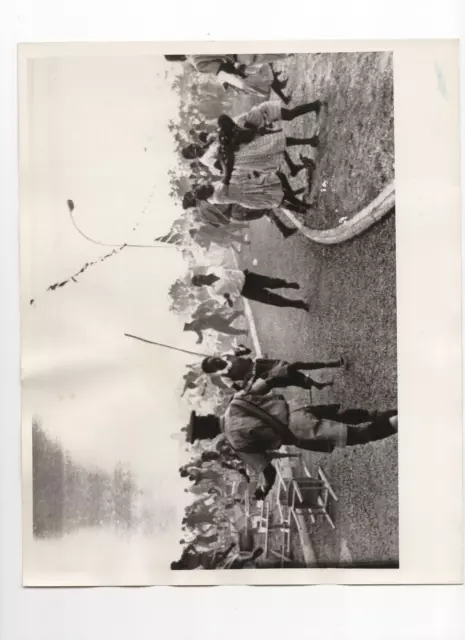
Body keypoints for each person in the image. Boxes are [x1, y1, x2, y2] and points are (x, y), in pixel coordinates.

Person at [185, 385, 398, 500]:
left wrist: (263, 490)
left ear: (209, 435)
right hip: (298, 408)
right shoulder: (236, 401)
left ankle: (398, 421)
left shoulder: (236, 441)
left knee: (357, 435)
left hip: (300, 431)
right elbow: (266, 384)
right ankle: (389, 412)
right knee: (348, 415)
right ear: (209, 417)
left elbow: (268, 472)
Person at [165, 55, 290, 102]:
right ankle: (282, 93)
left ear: (180, 59)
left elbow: (223, 68)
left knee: (280, 53)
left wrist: (241, 75)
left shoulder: (197, 63)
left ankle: (282, 94)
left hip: (240, 58)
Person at [201, 352, 346, 392]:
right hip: (264, 376)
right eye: (214, 363)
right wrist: (249, 379)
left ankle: (330, 365)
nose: (217, 361)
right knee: (293, 376)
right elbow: (242, 390)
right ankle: (330, 366)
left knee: (294, 367)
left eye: (214, 358)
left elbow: (247, 352)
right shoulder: (225, 378)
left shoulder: (227, 355)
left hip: (263, 364)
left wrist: (243, 350)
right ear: (214, 369)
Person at [191, 266, 309, 312]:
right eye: (200, 281)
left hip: (248, 278)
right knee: (273, 300)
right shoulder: (212, 291)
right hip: (245, 291)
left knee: (272, 283)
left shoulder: (214, 269)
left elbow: (229, 270)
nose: (202, 278)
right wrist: (229, 299)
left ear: (201, 274)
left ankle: (286, 284)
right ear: (201, 285)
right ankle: (299, 304)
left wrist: (241, 272)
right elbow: (227, 304)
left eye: (200, 276)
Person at [183, 309, 248, 344]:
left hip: (214, 324)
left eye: (187, 329)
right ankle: (238, 313)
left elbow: (200, 335)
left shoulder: (194, 327)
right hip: (214, 318)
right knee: (227, 323)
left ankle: (244, 331)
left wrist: (199, 340)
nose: (189, 330)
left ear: (188, 327)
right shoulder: (194, 322)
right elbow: (200, 318)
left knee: (228, 330)